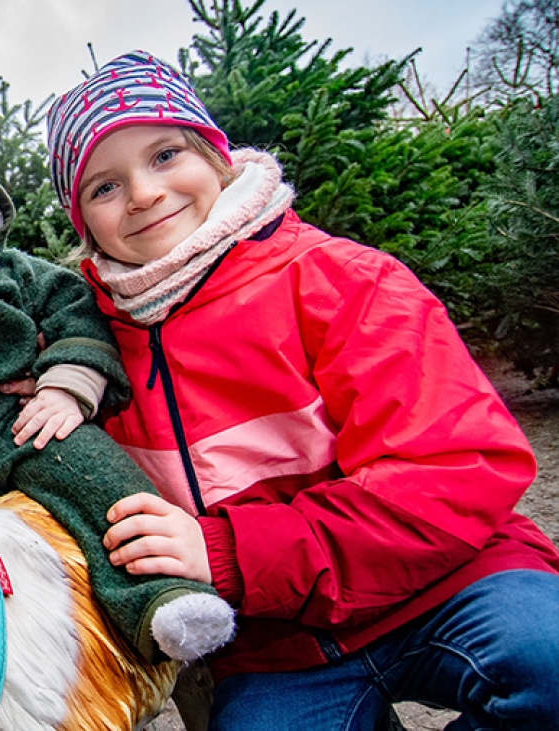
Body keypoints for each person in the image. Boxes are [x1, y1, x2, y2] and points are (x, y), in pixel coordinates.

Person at [46, 49, 559, 729]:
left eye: (166, 154)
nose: (141, 192)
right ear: (83, 223)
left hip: (452, 583)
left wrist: (227, 551)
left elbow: (456, 470)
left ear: (218, 158)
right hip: (276, 649)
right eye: (104, 187)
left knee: (546, 660)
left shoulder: (341, 279)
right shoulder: (89, 358)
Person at [0, 111, 235, 665]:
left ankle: (163, 595)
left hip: (21, 424)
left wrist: (65, 388)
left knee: (96, 473)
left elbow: (79, 318)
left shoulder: (17, 273)